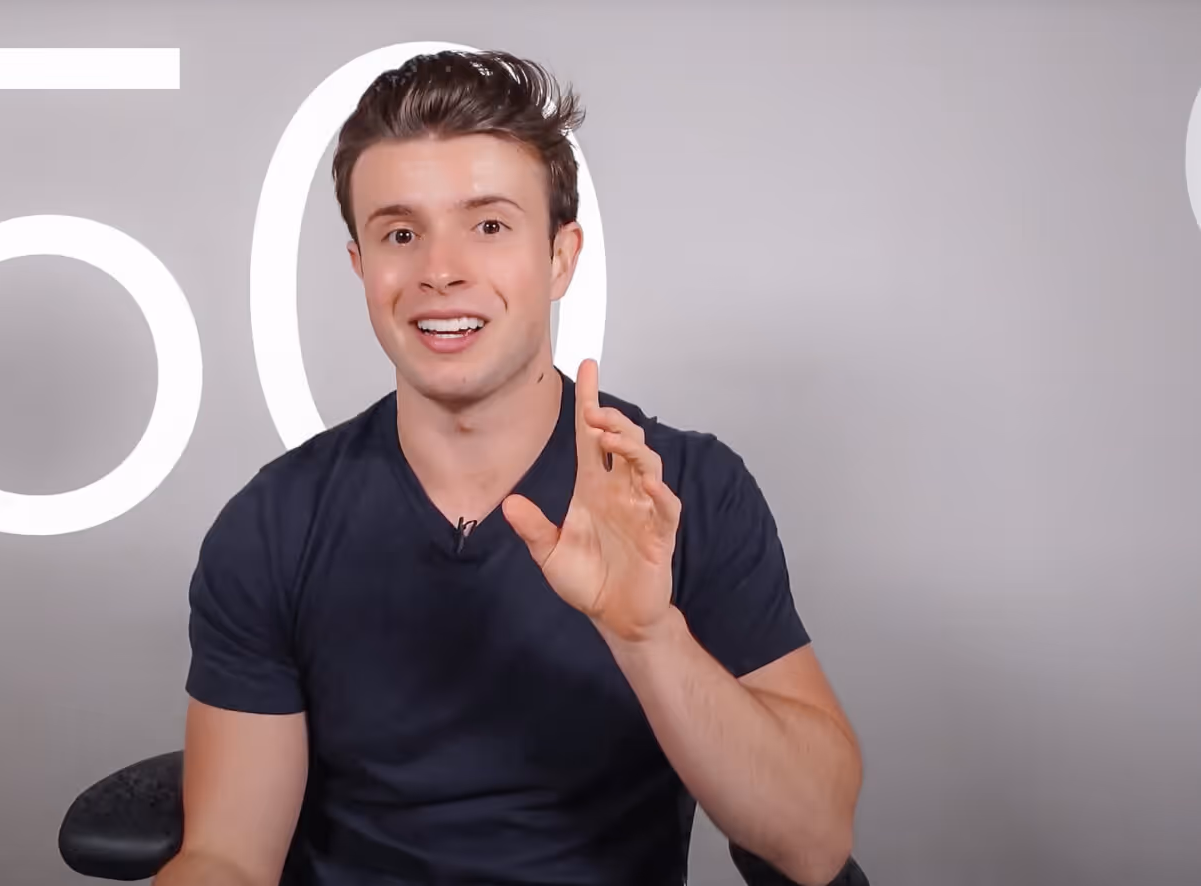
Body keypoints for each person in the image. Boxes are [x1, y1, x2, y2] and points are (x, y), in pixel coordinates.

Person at [154, 50, 865, 886]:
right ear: (360, 266)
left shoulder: (686, 493)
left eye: (488, 225)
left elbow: (813, 843)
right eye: (400, 232)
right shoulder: (275, 524)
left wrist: (646, 634)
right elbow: (227, 856)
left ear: (562, 257)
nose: (439, 269)